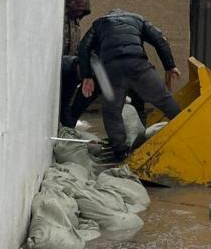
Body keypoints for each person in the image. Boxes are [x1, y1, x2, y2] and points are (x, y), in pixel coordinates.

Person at [77, 9, 182, 160]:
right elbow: (159, 38)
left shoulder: (99, 24)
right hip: (137, 65)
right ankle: (186, 129)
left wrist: (87, 76)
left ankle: (120, 153)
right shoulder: (138, 19)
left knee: (112, 112)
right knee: (165, 100)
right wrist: (170, 66)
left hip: (112, 70)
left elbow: (84, 47)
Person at [60, 0, 91, 127]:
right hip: (61, 64)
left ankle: (68, 128)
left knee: (66, 101)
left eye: (82, 12)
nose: (79, 13)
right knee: (64, 102)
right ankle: (67, 127)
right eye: (77, 10)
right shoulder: (62, 17)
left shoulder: (76, 22)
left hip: (71, 65)